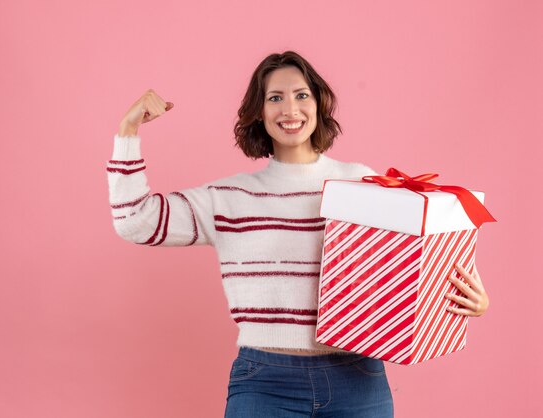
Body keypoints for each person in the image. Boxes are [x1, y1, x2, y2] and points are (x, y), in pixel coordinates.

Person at [106, 51, 490, 417]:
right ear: (259, 111)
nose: (290, 109)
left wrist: (464, 301)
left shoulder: (360, 182)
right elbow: (136, 221)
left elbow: (406, 267)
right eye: (275, 97)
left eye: (301, 95)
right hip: (264, 381)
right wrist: (128, 131)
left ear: (319, 103)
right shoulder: (229, 198)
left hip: (359, 377)